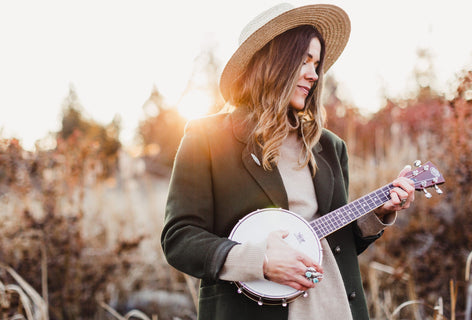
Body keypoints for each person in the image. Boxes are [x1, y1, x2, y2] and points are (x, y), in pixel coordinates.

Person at [161, 3, 415, 320]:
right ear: (273, 62)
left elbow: (335, 245)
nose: (314, 74)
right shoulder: (206, 139)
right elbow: (180, 238)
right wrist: (258, 260)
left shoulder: (328, 146)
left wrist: (376, 214)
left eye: (317, 64)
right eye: (304, 61)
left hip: (334, 307)